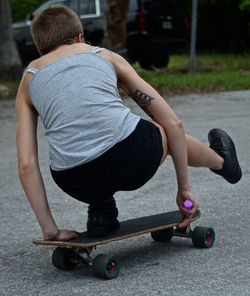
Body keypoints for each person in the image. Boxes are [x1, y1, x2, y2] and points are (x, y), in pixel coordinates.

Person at [16, 5, 242, 241]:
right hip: (133, 160)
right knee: (162, 130)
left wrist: (50, 229)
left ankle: (101, 213)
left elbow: (26, 164)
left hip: (76, 181)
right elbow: (173, 123)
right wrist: (184, 190)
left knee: (84, 147)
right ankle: (221, 161)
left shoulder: (29, 78)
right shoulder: (102, 55)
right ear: (80, 37)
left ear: (40, 49)